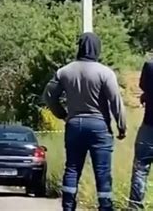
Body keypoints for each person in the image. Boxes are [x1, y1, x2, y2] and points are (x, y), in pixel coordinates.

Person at [43, 32, 127, 211]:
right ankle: (105, 207)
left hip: (74, 125)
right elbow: (115, 101)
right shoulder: (105, 72)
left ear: (79, 47)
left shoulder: (64, 71)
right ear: (97, 48)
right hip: (100, 126)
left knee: (72, 168)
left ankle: (68, 206)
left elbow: (49, 96)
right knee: (102, 171)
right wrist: (121, 126)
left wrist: (62, 115)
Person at [127, 60, 153, 210]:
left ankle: (135, 207)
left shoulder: (149, 67)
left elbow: (144, 86)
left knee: (140, 169)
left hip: (149, 126)